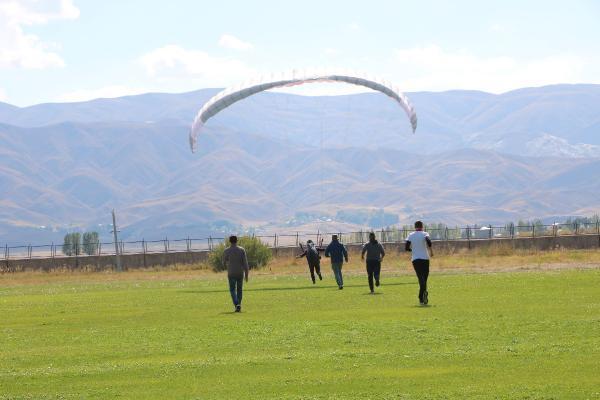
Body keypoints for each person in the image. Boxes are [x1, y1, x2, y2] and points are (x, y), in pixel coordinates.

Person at [405, 221, 433, 305]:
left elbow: (406, 247)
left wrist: (413, 250)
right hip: (425, 258)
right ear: (422, 226)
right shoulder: (425, 234)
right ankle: (423, 295)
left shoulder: (411, 235)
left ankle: (421, 298)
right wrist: (431, 251)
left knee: (421, 278)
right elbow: (429, 242)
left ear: (415, 227)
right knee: (424, 278)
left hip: (416, 259)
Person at [223, 235, 249, 312]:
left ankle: (236, 304)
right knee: (239, 289)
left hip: (231, 273)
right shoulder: (241, 250)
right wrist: (246, 274)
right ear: (237, 241)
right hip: (240, 273)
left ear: (229, 241)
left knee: (232, 290)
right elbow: (245, 263)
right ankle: (239, 305)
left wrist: (227, 265)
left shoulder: (226, 251)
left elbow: (223, 262)